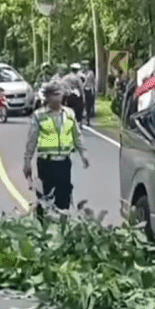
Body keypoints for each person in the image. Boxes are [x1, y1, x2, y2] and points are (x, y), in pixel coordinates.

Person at [23, 82, 89, 218]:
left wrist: (84, 154)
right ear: (47, 97)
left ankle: (61, 229)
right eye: (54, 94)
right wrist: (27, 161)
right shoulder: (39, 115)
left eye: (59, 93)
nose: (58, 97)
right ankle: (42, 228)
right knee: (45, 199)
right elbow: (31, 140)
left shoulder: (69, 113)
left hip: (64, 163)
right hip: (46, 163)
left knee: (64, 199)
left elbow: (77, 135)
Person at [83, 60, 95, 127]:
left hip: (89, 90)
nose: (85, 66)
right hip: (82, 91)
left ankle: (87, 120)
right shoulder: (80, 73)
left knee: (88, 106)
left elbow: (93, 82)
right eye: (84, 65)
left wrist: (93, 90)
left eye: (86, 65)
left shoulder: (90, 73)